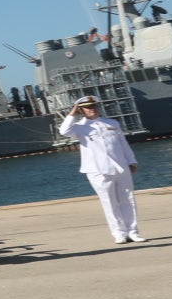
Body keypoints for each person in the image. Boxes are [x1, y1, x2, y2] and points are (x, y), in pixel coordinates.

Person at [59, 96, 143, 245]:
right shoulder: (79, 127)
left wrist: (132, 161)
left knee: (128, 200)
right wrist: (73, 112)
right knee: (109, 202)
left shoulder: (112, 123)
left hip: (120, 166)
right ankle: (119, 233)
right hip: (98, 170)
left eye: (93, 106)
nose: (91, 109)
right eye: (87, 107)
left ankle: (133, 232)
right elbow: (63, 131)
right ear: (81, 110)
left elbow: (123, 144)